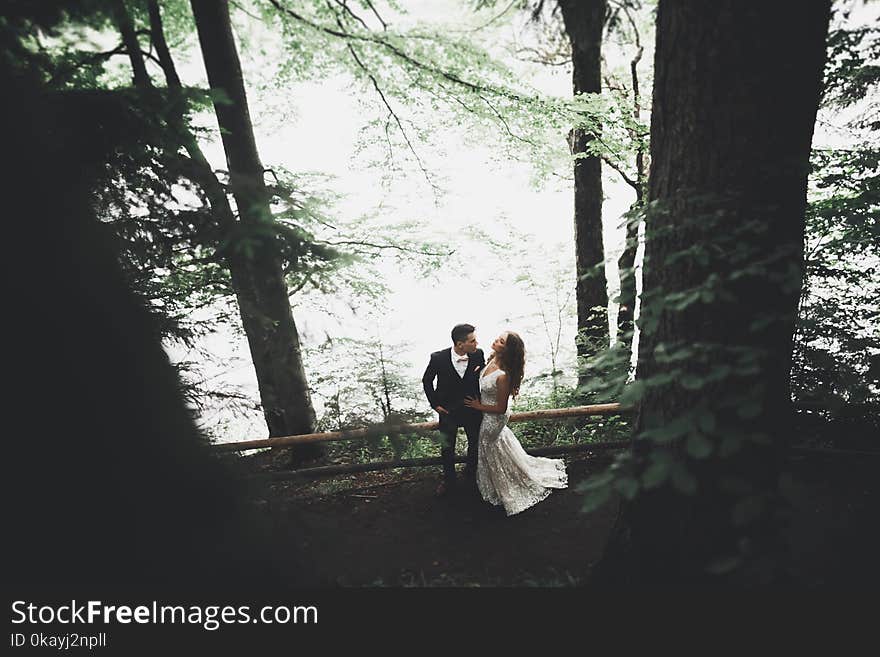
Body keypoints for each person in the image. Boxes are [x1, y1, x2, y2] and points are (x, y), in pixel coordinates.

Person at [464, 331, 568, 516]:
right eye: (498, 338)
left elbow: (501, 408)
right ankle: (494, 479)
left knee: (488, 446)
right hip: (486, 413)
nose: (495, 340)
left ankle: (503, 485)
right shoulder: (491, 359)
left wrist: (478, 406)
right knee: (493, 447)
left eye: (501, 341)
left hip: (493, 417)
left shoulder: (504, 375)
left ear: (507, 349)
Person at [422, 324, 486, 496]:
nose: (476, 343)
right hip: (448, 410)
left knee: (475, 444)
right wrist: (435, 405)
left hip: (472, 409)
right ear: (460, 344)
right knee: (447, 447)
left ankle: (471, 476)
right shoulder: (438, 358)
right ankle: (449, 480)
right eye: (472, 341)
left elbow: (484, 376)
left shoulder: (478, 354)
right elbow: (427, 381)